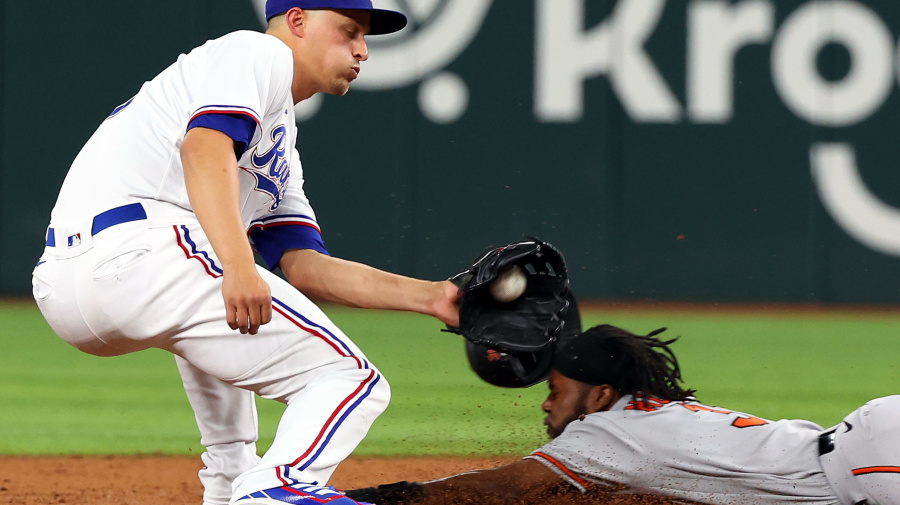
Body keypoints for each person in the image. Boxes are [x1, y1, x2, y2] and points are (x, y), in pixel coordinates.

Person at [30, 2, 460, 505]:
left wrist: (437, 297)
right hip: (136, 248)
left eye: (365, 38)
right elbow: (203, 146)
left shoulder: (278, 145)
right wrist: (238, 266)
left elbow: (306, 267)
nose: (362, 49)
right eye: (349, 31)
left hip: (80, 278)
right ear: (297, 22)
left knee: (231, 308)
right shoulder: (257, 51)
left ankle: (232, 484)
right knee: (349, 378)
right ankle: (276, 487)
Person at [345, 324, 900, 505]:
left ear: (602, 394)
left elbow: (502, 487)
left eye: (557, 390)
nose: (547, 403)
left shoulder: (604, 435)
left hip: (865, 468)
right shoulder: (651, 412)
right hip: (868, 442)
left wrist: (383, 497)